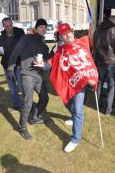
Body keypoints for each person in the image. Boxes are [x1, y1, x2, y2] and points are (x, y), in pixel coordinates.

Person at [35, 23, 98, 153]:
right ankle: (75, 116)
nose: (67, 35)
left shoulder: (84, 41)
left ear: (72, 31)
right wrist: (42, 64)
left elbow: (90, 59)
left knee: (78, 109)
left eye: (68, 32)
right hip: (69, 82)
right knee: (68, 104)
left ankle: (75, 138)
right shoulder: (60, 50)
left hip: (83, 81)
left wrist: (93, 77)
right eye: (63, 34)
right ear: (61, 36)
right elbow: (51, 63)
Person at [7, 18, 49, 140]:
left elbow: (46, 62)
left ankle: (34, 117)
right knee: (27, 103)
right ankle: (22, 128)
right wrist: (11, 67)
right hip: (27, 74)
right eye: (41, 26)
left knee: (45, 98)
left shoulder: (44, 46)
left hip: (39, 75)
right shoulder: (27, 38)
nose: (43, 29)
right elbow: (16, 51)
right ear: (36, 28)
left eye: (45, 27)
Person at [93, 16, 115, 115]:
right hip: (111, 61)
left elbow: (94, 45)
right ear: (114, 21)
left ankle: (98, 105)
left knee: (99, 83)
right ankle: (108, 110)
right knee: (111, 85)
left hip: (100, 60)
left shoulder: (97, 30)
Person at [0, 17, 25, 110]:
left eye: (10, 25)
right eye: (6, 26)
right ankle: (17, 104)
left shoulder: (19, 34)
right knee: (12, 87)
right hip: (7, 65)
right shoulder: (1, 37)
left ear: (12, 24)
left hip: (18, 65)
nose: (9, 28)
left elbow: (24, 48)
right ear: (3, 26)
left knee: (21, 85)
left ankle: (27, 104)